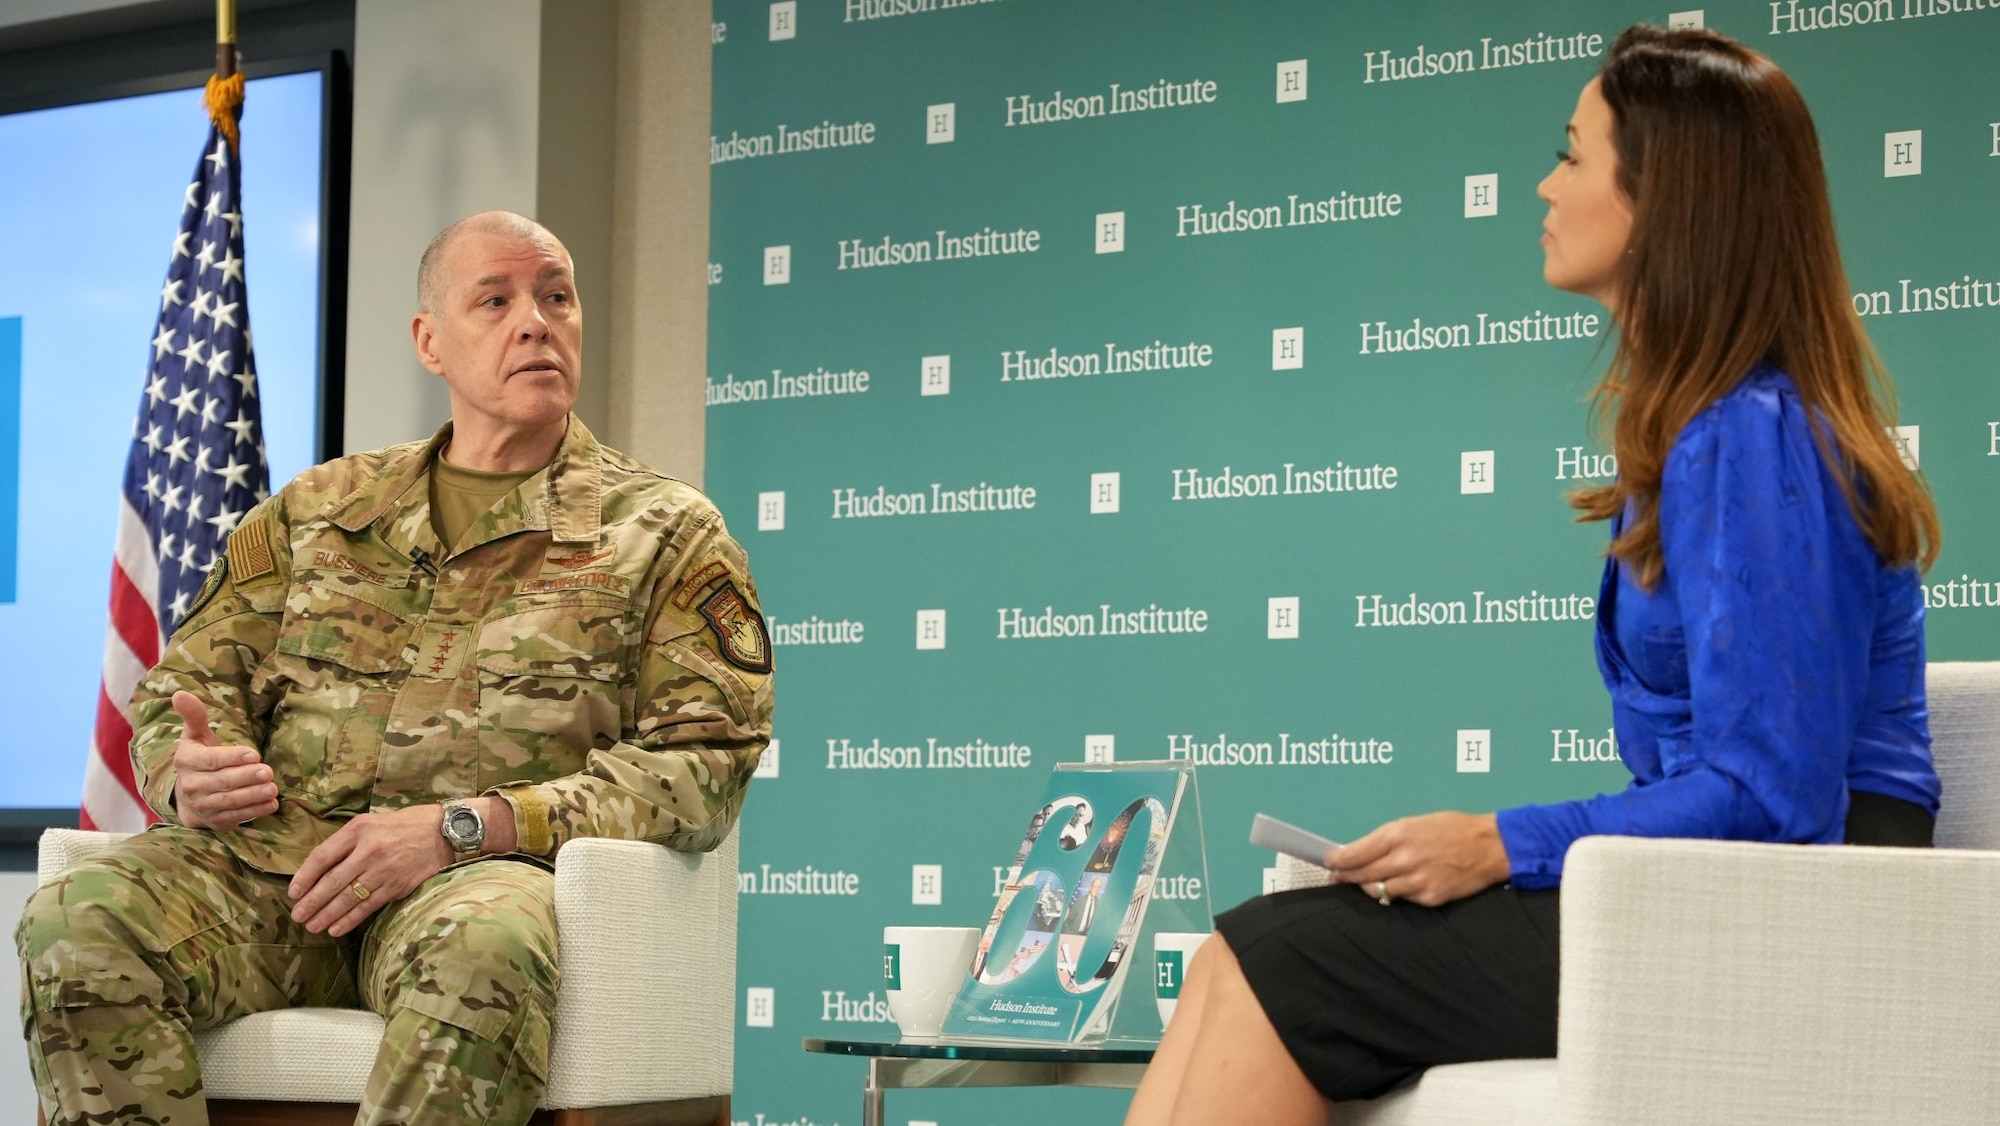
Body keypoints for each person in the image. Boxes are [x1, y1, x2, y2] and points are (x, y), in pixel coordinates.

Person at [1126, 26, 1942, 1125]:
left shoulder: (1754, 434)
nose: (1545, 185)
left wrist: (1498, 843)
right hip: (1716, 896)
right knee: (1243, 955)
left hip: (1793, 923)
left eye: (1570, 154)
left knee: (1282, 960)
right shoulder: (1715, 426)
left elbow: (1772, 797)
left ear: (1664, 198)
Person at [16, 210, 773, 1126]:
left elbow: (703, 765)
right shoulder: (318, 511)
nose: (535, 322)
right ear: (429, 341)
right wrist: (188, 772)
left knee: (486, 945)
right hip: (276, 879)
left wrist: (467, 827)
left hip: (471, 882)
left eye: (556, 298)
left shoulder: (663, 531)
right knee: (76, 918)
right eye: (495, 301)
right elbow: (185, 690)